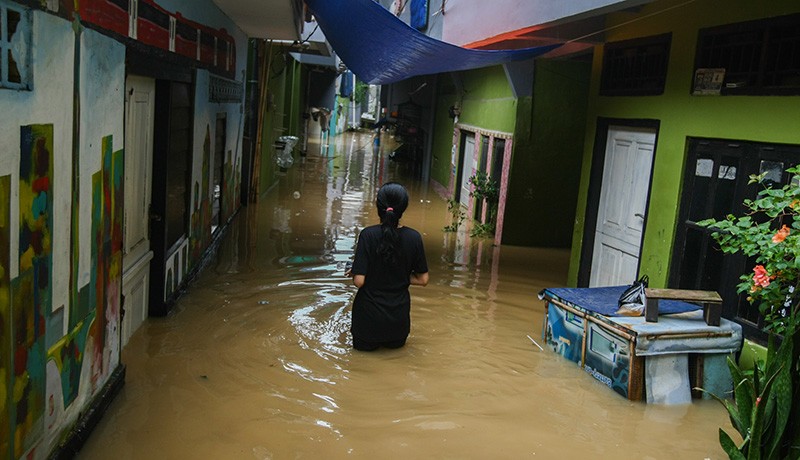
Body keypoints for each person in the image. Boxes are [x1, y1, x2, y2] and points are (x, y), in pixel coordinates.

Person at [346, 182, 429, 351]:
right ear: (403, 208)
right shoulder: (414, 238)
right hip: (397, 324)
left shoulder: (367, 235)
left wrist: (356, 272)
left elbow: (359, 281)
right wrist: (397, 276)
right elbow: (423, 279)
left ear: (378, 207)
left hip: (367, 322)